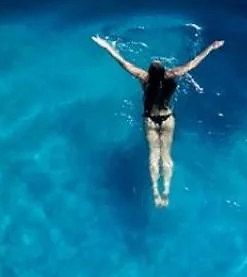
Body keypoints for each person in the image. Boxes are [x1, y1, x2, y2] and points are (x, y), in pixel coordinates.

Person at [92, 35, 225, 208]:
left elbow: (122, 62)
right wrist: (210, 48)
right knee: (166, 156)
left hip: (150, 121)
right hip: (167, 120)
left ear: (150, 73)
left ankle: (155, 191)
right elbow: (193, 63)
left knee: (154, 155)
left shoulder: (143, 78)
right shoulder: (172, 75)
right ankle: (166, 192)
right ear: (163, 72)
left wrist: (106, 46)